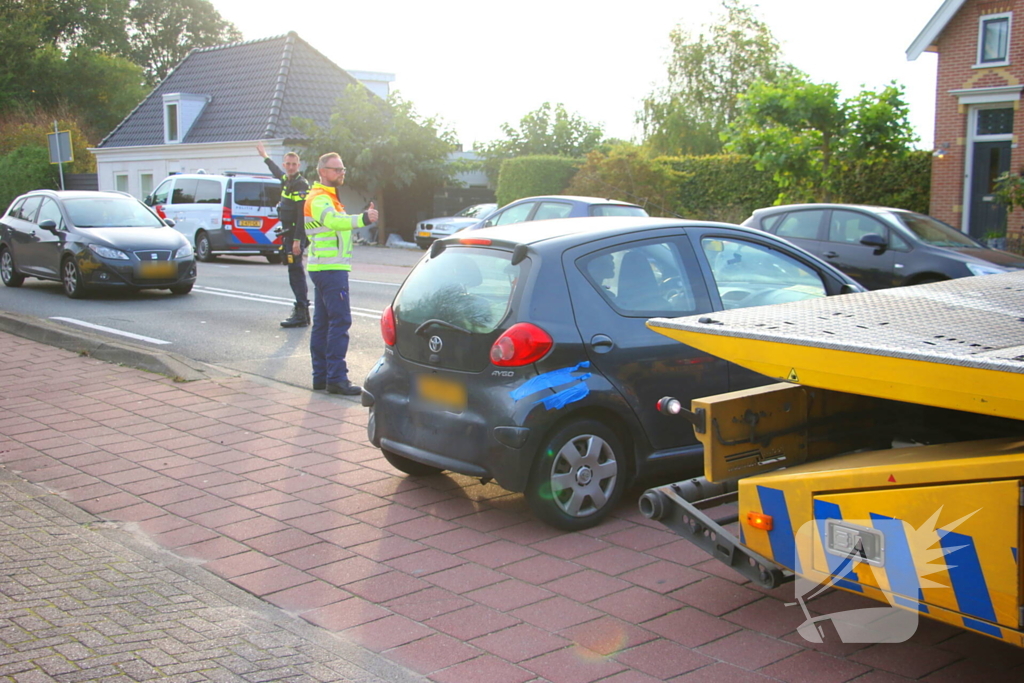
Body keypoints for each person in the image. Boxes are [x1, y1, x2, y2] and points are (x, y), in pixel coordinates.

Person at [304, 152, 378, 395]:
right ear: (322, 172)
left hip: (326, 266)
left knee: (324, 323)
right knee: (340, 322)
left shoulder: (327, 197)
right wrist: (363, 219)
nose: (341, 173)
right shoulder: (319, 199)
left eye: (343, 169)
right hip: (330, 268)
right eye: (336, 169)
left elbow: (334, 223)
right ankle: (336, 378)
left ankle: (322, 377)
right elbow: (335, 222)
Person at [257, 142, 311, 328]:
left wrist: (298, 240)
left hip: (295, 233)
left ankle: (302, 313)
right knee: (292, 271)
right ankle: (301, 311)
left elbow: (302, 215)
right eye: (287, 164)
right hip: (288, 234)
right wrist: (265, 156)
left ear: (299, 165)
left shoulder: (300, 185)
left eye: (293, 164)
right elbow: (275, 172)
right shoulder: (287, 181)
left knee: (296, 272)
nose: (290, 167)